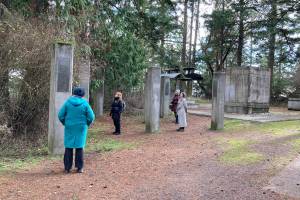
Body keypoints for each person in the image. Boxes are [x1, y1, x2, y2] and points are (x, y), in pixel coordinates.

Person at [58, 87, 95, 173]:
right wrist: (87, 123)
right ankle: (79, 168)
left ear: (74, 94)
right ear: (82, 95)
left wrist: (65, 123)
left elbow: (60, 115)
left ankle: (67, 168)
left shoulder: (68, 103)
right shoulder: (85, 104)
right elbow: (91, 117)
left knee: (68, 146)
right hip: (81, 127)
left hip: (69, 127)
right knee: (79, 146)